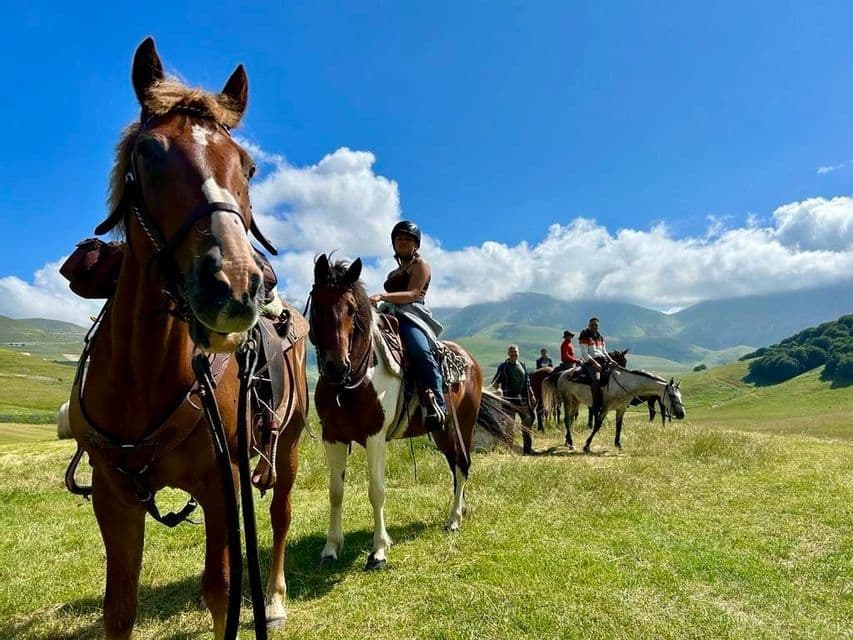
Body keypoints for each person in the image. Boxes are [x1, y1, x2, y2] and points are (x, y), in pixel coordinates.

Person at [370, 220, 446, 431]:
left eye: (408, 239)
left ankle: (438, 405)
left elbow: (413, 294)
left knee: (419, 350)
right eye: (399, 238)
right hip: (389, 313)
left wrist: (383, 296)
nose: (402, 242)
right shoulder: (392, 274)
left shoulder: (421, 265)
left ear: (416, 244)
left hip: (412, 315)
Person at [491, 344, 536, 455]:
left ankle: (527, 451)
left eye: (515, 351)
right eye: (511, 352)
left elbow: (528, 382)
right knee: (509, 426)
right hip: (508, 400)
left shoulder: (522, 365)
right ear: (508, 353)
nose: (514, 354)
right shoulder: (503, 367)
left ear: (518, 352)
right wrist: (499, 390)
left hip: (522, 400)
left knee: (527, 424)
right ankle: (510, 451)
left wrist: (532, 394)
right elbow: (495, 382)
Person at [578, 317, 618, 421]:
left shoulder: (600, 337)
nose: (594, 327)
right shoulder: (584, 335)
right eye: (592, 325)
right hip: (591, 362)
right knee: (596, 379)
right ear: (589, 325)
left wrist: (611, 360)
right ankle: (595, 405)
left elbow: (604, 351)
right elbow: (584, 353)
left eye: (596, 325)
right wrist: (595, 363)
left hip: (603, 361)